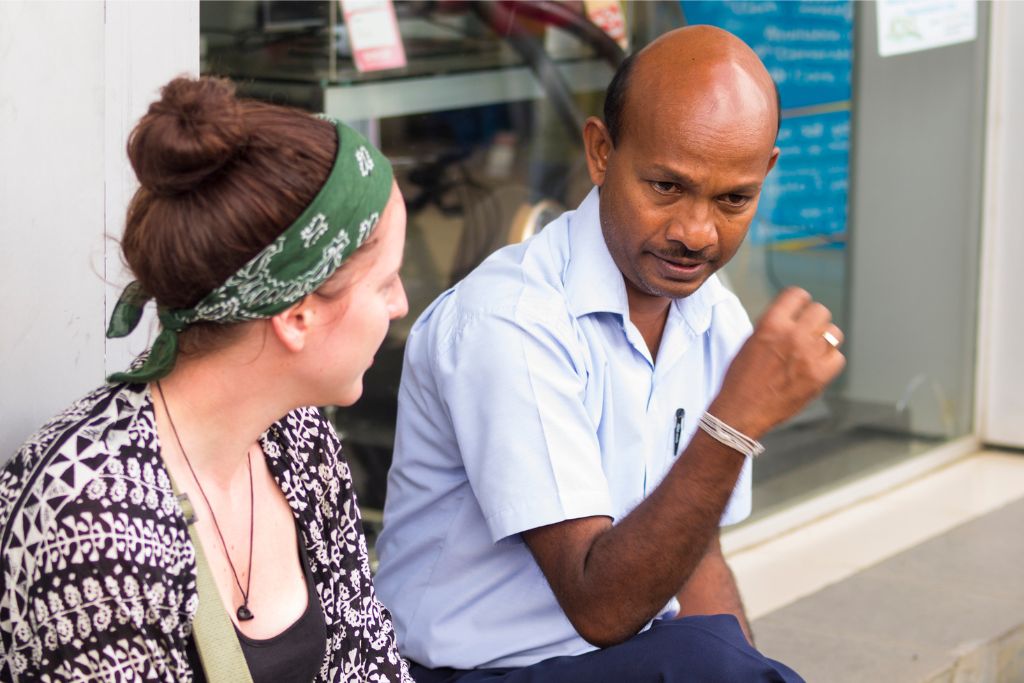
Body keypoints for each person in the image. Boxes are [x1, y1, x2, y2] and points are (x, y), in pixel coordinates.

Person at [375, 25, 844, 682]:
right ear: (600, 152)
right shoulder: (510, 321)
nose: (695, 232)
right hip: (466, 672)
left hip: (621, 657)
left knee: (725, 660)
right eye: (666, 187)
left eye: (733, 198)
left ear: (765, 174)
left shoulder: (714, 316)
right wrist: (735, 419)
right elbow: (598, 602)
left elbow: (695, 552)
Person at [0, 77, 412, 682]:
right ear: (297, 316)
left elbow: (369, 662)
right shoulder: (92, 522)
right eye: (384, 283)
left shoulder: (298, 442)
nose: (401, 304)